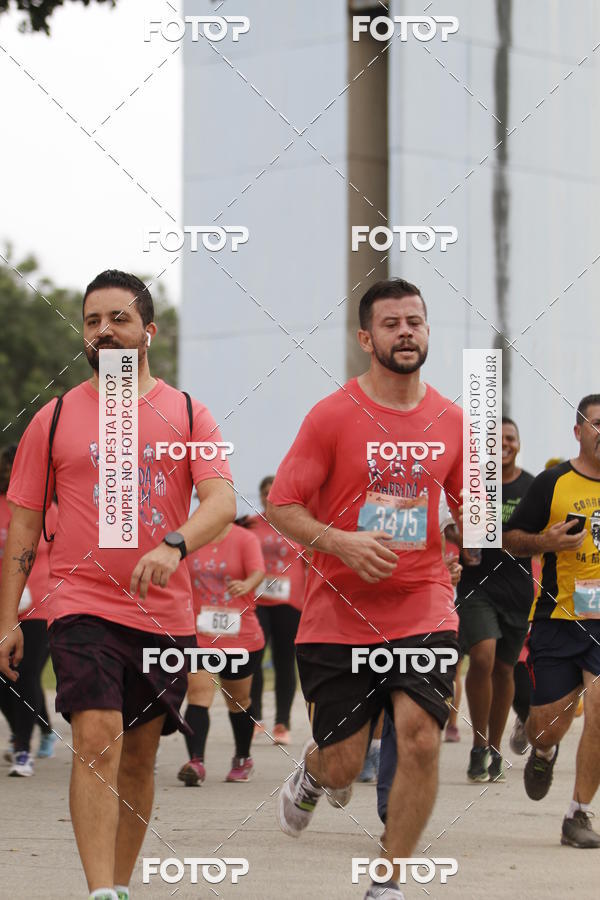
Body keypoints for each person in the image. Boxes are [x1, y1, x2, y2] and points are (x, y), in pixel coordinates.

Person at [0, 270, 235, 900]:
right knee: (97, 736)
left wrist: (174, 543)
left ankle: (121, 885)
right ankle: (100, 890)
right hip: (80, 602)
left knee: (137, 758)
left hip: (163, 616)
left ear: (148, 331)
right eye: (92, 321)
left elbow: (221, 500)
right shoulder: (53, 419)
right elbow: (23, 523)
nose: (103, 331)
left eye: (119, 319)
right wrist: (7, 618)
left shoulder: (189, 413)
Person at [267, 278, 463, 900]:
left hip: (423, 604)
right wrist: (342, 542)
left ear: (427, 331)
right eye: (390, 323)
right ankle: (313, 771)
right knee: (344, 764)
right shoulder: (332, 415)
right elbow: (282, 505)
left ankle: (388, 880)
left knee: (421, 737)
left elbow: (475, 513)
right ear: (365, 338)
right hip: (340, 613)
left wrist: (475, 540)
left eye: (415, 321)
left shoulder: (455, 421)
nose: (405, 332)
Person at [504, 394, 600, 848]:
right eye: (597, 423)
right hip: (558, 619)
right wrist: (546, 542)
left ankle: (577, 814)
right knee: (547, 725)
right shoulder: (552, 482)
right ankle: (542, 750)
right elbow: (510, 539)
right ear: (578, 431)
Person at [457, 417, 534, 782]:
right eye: (495, 438)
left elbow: (543, 537)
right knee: (483, 656)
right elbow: (450, 524)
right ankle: (477, 744)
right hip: (476, 586)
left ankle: (495, 748)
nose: (504, 443)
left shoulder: (533, 487)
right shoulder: (471, 484)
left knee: (504, 669)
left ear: (518, 443)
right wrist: (458, 539)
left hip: (516, 590)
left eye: (510, 437)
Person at [178, 520, 265, 784]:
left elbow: (258, 572)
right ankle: (196, 763)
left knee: (238, 700)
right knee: (198, 694)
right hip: (200, 632)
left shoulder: (245, 539)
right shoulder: (191, 536)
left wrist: (247, 584)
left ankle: (243, 758)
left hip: (240, 634)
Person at [0, 444, 60, 775]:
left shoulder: (51, 511)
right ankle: (29, 731)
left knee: (25, 674)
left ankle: (23, 749)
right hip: (3, 607)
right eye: (9, 466)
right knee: (4, 678)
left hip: (39, 608)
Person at [248, 475, 306, 745]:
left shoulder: (297, 524)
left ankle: (283, 723)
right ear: (260, 497)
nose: (268, 497)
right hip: (257, 601)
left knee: (284, 661)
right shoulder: (250, 524)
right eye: (264, 493)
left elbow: (311, 562)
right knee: (253, 659)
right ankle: (255, 718)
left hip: (289, 602)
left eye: (273, 492)